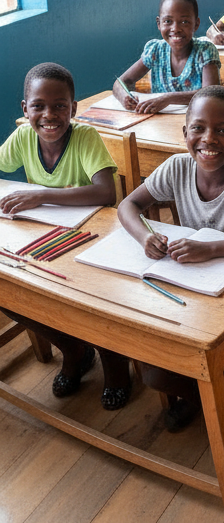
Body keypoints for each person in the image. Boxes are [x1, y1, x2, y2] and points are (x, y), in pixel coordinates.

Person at [117, 86, 224, 470]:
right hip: (189, 284)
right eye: (198, 128)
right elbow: (128, 205)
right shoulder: (177, 167)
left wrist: (211, 248)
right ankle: (201, 398)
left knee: (214, 367)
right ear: (184, 135)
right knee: (154, 373)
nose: (209, 139)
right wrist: (146, 235)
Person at [0, 63, 132, 410]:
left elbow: (105, 193)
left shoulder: (85, 137)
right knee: (8, 291)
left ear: (73, 109)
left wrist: (40, 194)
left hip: (93, 238)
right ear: (25, 108)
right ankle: (73, 350)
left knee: (93, 298)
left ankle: (115, 364)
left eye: (60, 105)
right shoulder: (24, 136)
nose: (49, 114)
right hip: (44, 237)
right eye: (39, 106)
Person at [115, 0, 220, 111]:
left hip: (196, 122)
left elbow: (210, 93)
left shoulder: (205, 52)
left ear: (196, 24)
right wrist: (124, 97)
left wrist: (168, 99)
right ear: (159, 24)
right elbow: (121, 82)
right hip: (159, 122)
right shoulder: (156, 51)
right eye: (168, 21)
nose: (175, 28)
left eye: (184, 21)